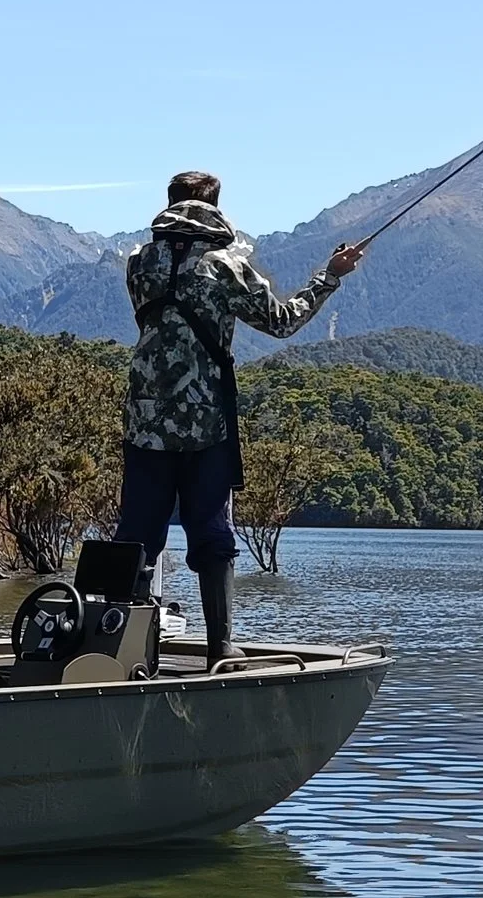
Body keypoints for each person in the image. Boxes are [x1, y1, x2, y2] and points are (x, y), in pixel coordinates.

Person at [115, 171, 361, 666]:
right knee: (213, 534)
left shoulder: (139, 262)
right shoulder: (226, 266)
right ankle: (220, 647)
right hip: (206, 423)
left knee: (136, 537)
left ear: (169, 203)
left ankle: (116, 648)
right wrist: (330, 276)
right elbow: (283, 322)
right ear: (216, 205)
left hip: (144, 421)